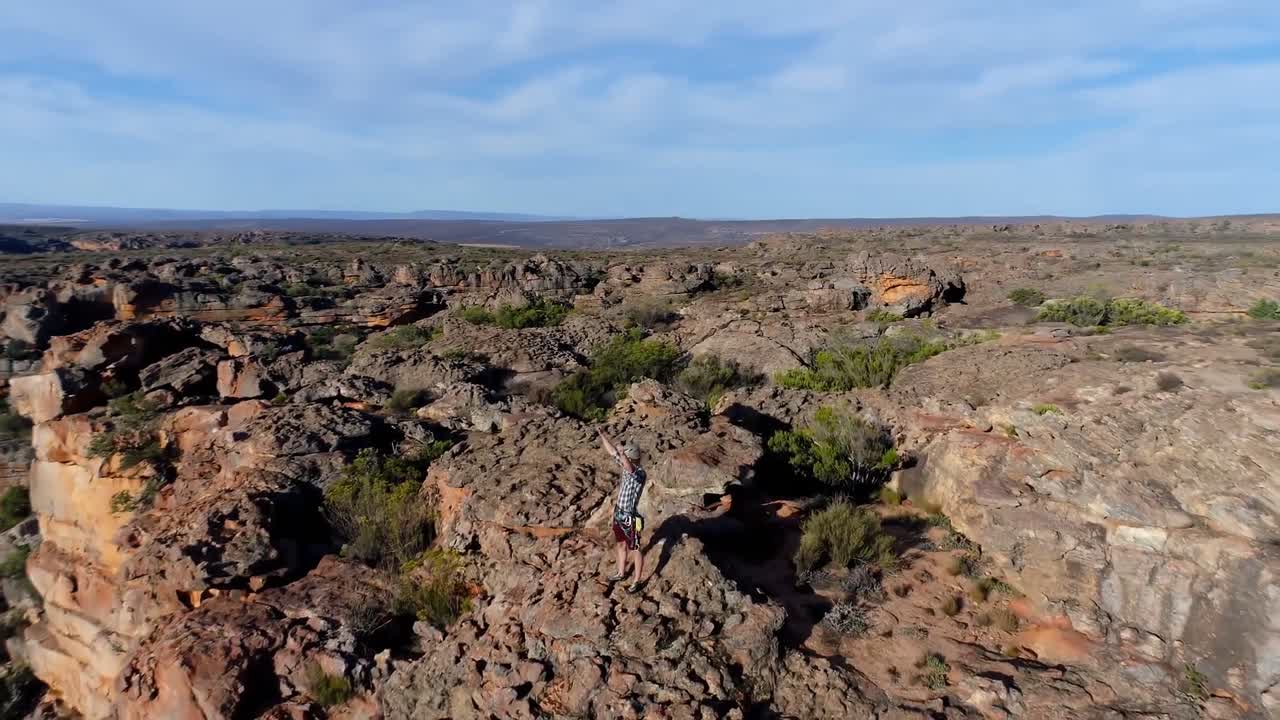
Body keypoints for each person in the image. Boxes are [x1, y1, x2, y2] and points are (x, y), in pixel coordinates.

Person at [598, 428, 646, 593]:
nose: (622, 456)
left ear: (632, 458)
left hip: (631, 516)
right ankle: (621, 572)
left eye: (626, 455)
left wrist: (622, 453)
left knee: (635, 548)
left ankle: (637, 580)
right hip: (620, 513)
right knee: (620, 544)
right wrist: (603, 435)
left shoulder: (638, 473)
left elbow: (628, 467)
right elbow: (612, 452)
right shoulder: (627, 467)